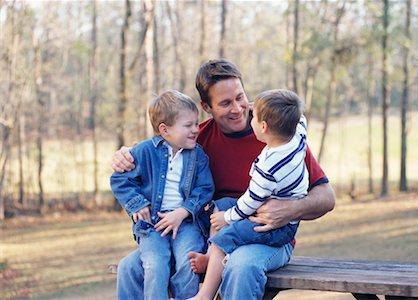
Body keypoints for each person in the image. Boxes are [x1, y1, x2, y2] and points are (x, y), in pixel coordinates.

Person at [112, 59, 335, 299]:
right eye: (226, 103)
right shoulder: (196, 140)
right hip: (207, 236)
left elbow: (327, 197)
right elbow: (157, 151)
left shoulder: (279, 136)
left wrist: (291, 209)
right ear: (206, 107)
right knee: (130, 268)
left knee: (241, 265)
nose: (238, 109)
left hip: (266, 238)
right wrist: (125, 155)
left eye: (240, 97)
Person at [193, 89, 309, 300]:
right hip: (267, 217)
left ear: (263, 126)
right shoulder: (297, 137)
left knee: (223, 237)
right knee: (221, 204)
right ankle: (211, 258)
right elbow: (300, 117)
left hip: (274, 228)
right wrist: (270, 108)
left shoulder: (269, 169)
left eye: (253, 116)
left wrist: (226, 218)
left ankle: (204, 296)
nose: (246, 112)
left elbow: (249, 202)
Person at [110, 90, 214, 300]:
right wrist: (137, 204)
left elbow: (204, 189)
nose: (196, 130)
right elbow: (119, 180)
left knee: (188, 261)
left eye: (196, 123)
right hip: (152, 224)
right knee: (155, 264)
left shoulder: (197, 155)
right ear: (164, 130)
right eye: (189, 125)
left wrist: (183, 211)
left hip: (186, 223)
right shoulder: (144, 151)